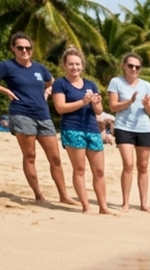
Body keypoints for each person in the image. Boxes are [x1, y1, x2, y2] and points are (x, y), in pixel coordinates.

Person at [0, 33, 75, 205]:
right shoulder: (7, 66)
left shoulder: (40, 69)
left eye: (27, 48)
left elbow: (54, 83)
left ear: (32, 50)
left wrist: (47, 92)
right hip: (21, 114)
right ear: (13, 48)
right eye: (20, 47)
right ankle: (38, 194)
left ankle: (64, 195)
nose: (24, 50)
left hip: (43, 115)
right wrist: (5, 91)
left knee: (55, 158)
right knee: (30, 156)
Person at [51, 47, 112, 215]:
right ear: (64, 65)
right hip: (72, 129)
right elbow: (60, 108)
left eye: (77, 64)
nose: (74, 67)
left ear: (82, 66)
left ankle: (103, 207)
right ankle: (86, 206)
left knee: (99, 171)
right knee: (79, 169)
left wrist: (95, 102)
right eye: (71, 64)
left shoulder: (91, 84)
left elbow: (99, 111)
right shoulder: (60, 84)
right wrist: (83, 101)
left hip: (92, 129)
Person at [107, 52, 150, 212]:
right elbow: (113, 107)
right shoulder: (116, 82)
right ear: (124, 66)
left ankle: (144, 203)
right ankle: (125, 202)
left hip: (143, 127)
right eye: (130, 66)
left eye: (137, 67)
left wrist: (147, 104)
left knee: (143, 166)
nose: (134, 69)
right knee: (128, 164)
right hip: (123, 127)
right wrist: (129, 102)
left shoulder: (146, 85)